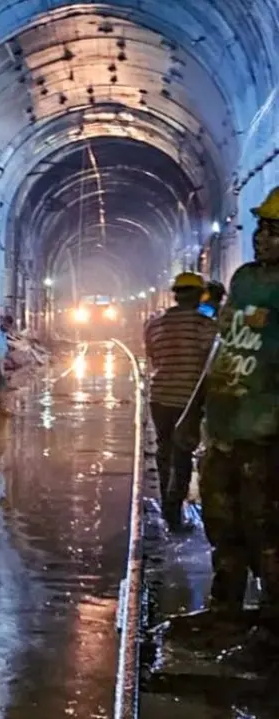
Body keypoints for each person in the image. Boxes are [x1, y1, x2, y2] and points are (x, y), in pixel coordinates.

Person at [198, 185, 279, 634]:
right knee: (222, 519)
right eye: (262, 228)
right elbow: (226, 338)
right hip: (226, 425)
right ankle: (225, 608)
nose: (262, 238)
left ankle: (271, 622)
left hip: (265, 434)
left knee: (264, 526)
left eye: (275, 230)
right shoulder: (245, 279)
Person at [144, 272, 218, 530]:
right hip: (188, 399)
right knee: (183, 454)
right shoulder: (205, 326)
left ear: (175, 295)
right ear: (200, 296)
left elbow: (153, 358)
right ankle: (174, 515)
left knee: (164, 452)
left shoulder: (154, 325)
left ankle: (167, 501)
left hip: (159, 397)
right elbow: (212, 363)